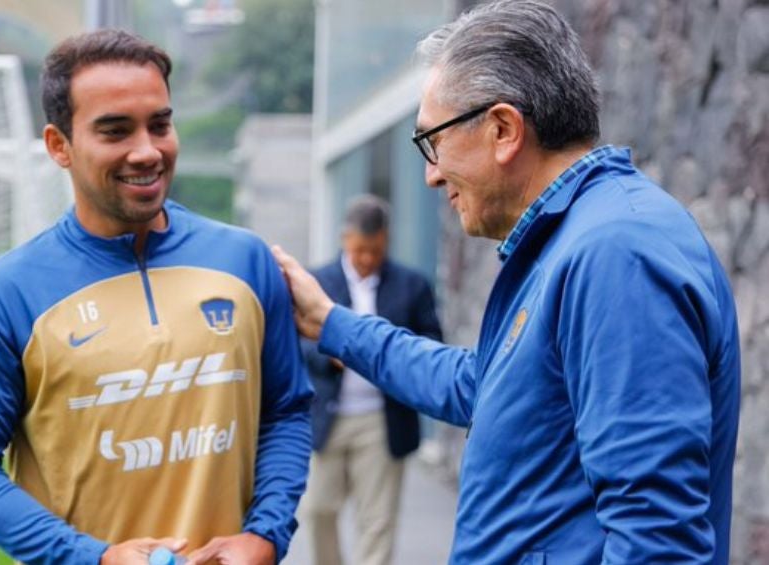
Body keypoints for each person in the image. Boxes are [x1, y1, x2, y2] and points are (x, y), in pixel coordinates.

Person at [271, 1, 741, 563]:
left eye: (432, 141)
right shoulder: (577, 240)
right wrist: (330, 322)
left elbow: (657, 542)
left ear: (502, 129)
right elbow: (478, 386)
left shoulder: (617, 253)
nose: (431, 174)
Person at [0, 29, 313, 565]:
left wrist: (266, 535)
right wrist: (94, 556)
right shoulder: (5, 293)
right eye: (115, 131)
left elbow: (284, 411)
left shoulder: (244, 260)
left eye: (160, 124)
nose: (147, 151)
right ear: (59, 146)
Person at [299, 194, 441, 565]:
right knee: (318, 510)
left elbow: (431, 343)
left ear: (386, 241)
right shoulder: (317, 282)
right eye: (360, 250)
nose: (366, 259)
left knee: (377, 520)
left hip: (383, 418)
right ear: (345, 239)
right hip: (327, 416)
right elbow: (298, 343)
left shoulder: (412, 285)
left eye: (375, 251)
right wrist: (329, 354)